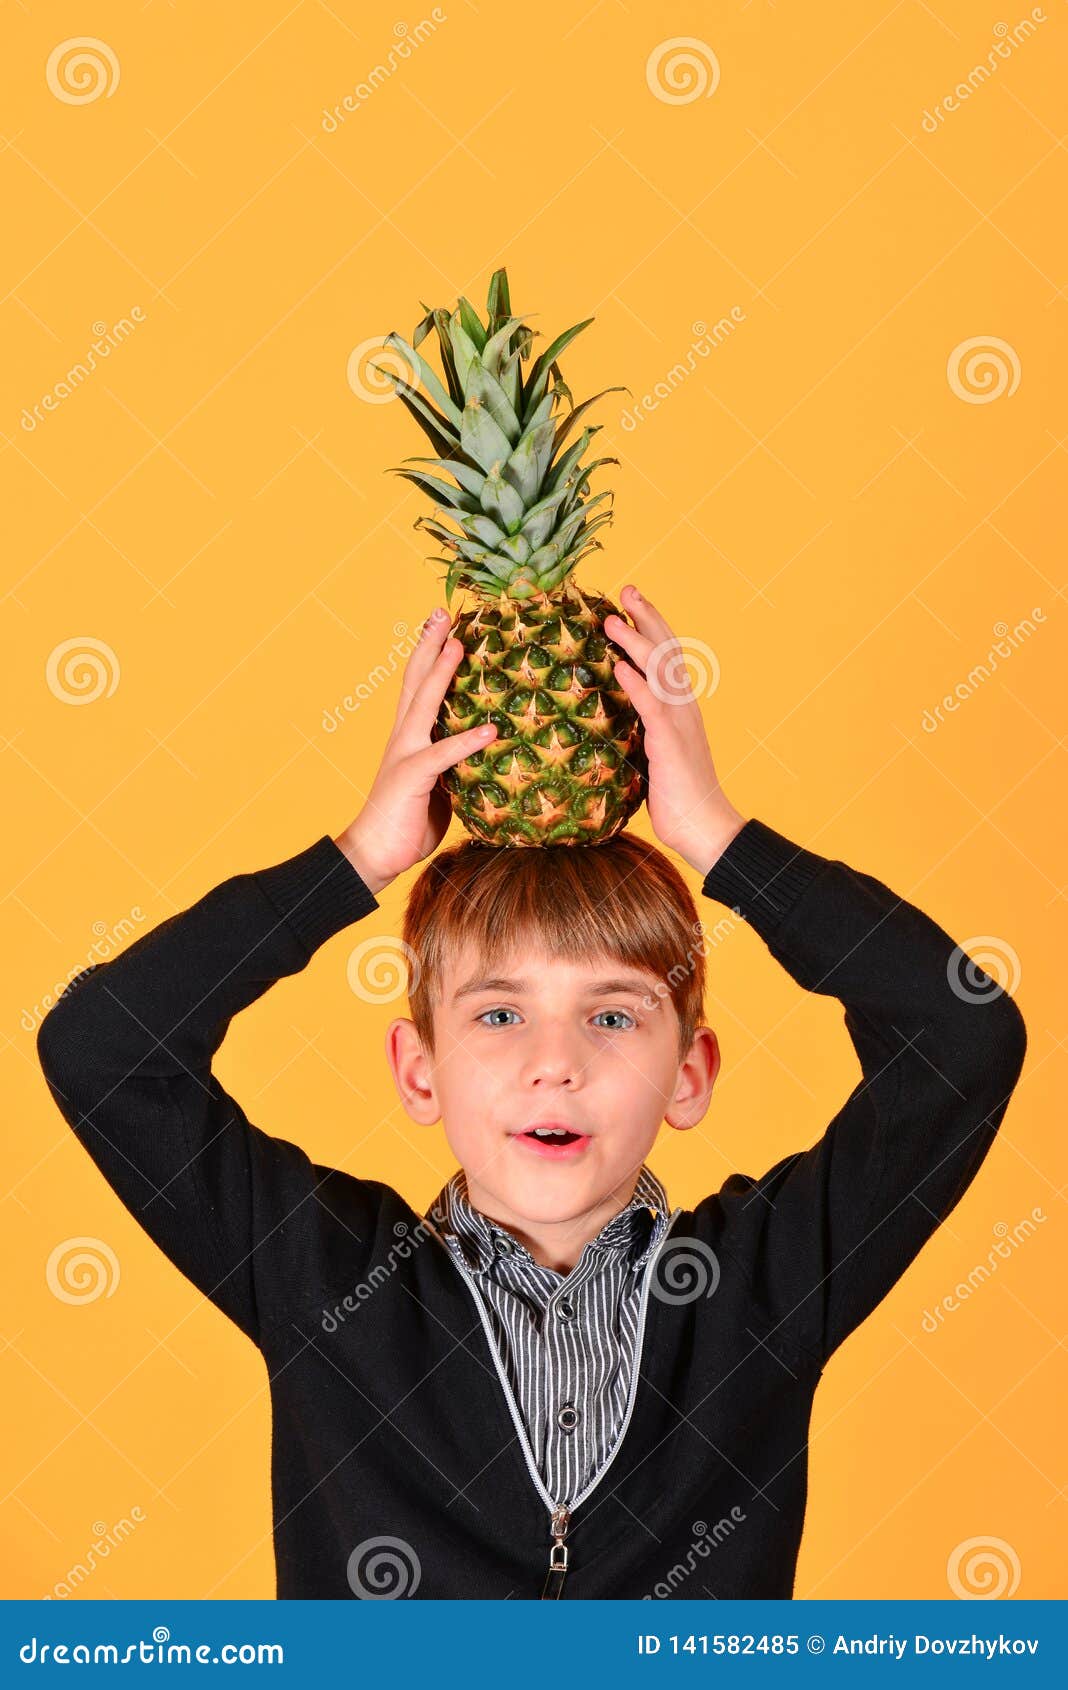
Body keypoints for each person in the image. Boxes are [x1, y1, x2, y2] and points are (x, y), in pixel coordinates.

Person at [36, 586, 1026, 1600]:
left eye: (613, 1015)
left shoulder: (762, 1287)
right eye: (500, 1015)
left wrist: (721, 840)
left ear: (691, 1074)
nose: (556, 1062)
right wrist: (357, 859)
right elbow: (102, 1050)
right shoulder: (324, 1280)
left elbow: (962, 1033)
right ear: (418, 1069)